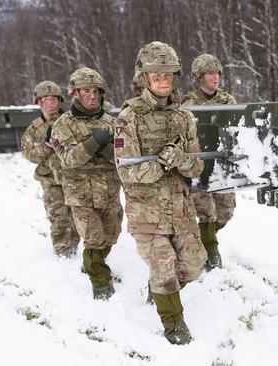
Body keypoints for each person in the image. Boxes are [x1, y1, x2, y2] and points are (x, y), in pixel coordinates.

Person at [114, 41, 207, 345]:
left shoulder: (184, 117)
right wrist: (164, 164)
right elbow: (127, 173)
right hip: (147, 213)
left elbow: (196, 168)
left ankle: (160, 287)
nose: (164, 81)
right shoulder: (130, 118)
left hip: (180, 209)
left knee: (193, 266)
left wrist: (182, 160)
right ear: (145, 78)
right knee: (165, 268)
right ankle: (174, 323)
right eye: (157, 76)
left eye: (169, 75)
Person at [51, 67, 123, 300]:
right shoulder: (63, 124)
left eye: (95, 91)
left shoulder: (113, 122)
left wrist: (108, 149)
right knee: (93, 238)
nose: (92, 96)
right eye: (86, 91)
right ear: (75, 94)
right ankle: (101, 283)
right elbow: (69, 159)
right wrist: (96, 142)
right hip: (80, 194)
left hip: (109, 191)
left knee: (111, 235)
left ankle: (93, 262)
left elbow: (124, 156)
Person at [182, 53, 237, 271]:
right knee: (205, 212)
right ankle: (211, 252)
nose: (215, 77)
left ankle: (201, 238)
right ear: (199, 77)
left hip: (222, 164)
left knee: (225, 212)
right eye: (210, 73)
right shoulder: (189, 103)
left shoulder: (227, 100)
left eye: (217, 73)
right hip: (199, 165)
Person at [21, 80, 80, 257]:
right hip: (50, 181)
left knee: (77, 216)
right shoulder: (34, 129)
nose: (50, 103)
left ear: (60, 101)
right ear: (38, 102)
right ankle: (62, 251)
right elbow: (28, 154)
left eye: (54, 99)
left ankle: (77, 248)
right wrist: (48, 146)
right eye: (45, 99)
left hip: (73, 178)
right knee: (58, 217)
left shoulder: (71, 121)